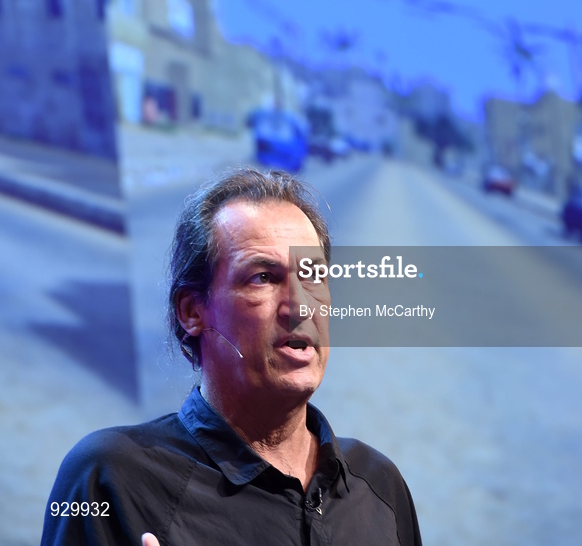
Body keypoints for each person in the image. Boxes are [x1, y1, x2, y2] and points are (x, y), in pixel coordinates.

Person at [41, 167, 422, 545]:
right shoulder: (110, 476)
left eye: (312, 276)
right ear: (192, 311)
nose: (300, 306)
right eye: (263, 278)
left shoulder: (380, 485)